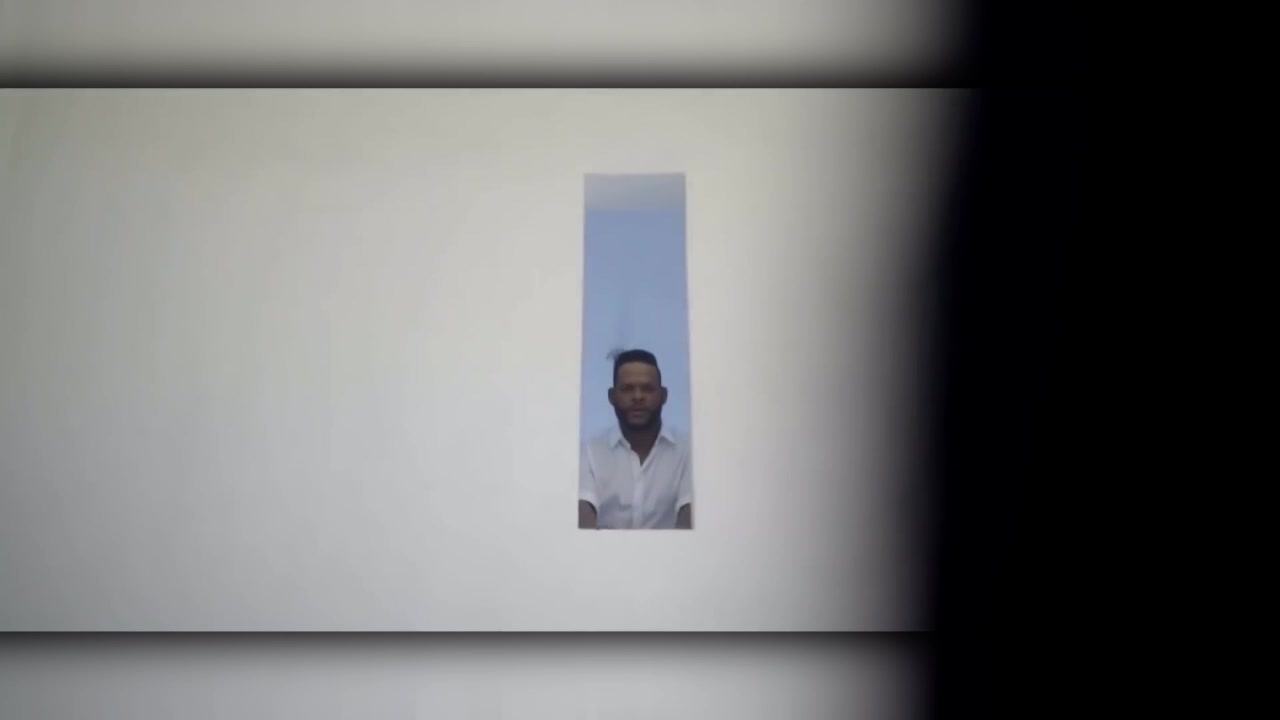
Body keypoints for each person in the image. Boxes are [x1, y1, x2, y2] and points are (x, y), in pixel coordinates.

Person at [579, 349, 693, 529]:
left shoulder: (688, 451)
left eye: (647, 389)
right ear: (612, 396)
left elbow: (689, 522)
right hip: (602, 550)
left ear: (663, 396)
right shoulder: (589, 453)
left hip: (673, 550)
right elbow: (583, 525)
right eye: (627, 389)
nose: (638, 397)